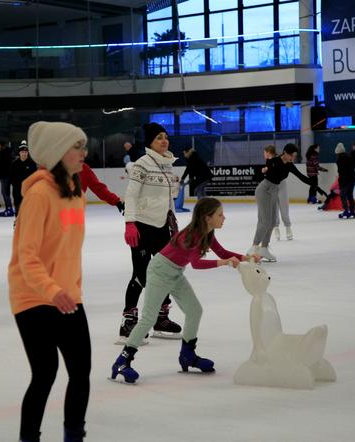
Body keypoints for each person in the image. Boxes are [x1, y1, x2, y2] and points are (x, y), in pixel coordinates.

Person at [111, 198, 258, 383]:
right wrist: (225, 263)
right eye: (220, 214)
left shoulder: (207, 232)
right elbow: (196, 264)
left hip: (175, 273)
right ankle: (122, 360)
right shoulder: (192, 234)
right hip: (159, 272)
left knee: (194, 310)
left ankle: (187, 354)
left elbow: (221, 252)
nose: (224, 218)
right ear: (207, 217)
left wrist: (246, 257)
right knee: (149, 318)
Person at [9, 121, 90, 442]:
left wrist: (69, 288)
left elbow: (67, 247)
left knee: (80, 374)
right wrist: (52, 290)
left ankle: (74, 437)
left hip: (68, 296)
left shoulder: (74, 192)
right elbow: (26, 255)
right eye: (77, 147)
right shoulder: (39, 195)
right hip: (32, 297)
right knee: (45, 374)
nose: (84, 153)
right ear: (58, 152)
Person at [121, 122, 182, 343]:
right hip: (142, 227)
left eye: (165, 136)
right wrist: (130, 223)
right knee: (141, 274)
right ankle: (128, 320)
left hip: (162, 228)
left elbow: (168, 199)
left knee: (165, 272)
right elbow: (131, 195)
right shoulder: (141, 164)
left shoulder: (167, 164)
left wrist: (173, 225)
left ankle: (160, 317)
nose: (164, 140)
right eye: (159, 138)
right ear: (150, 142)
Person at [249, 143, 326, 262]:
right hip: (264, 190)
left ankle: (264, 248)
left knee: (273, 221)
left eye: (294, 156)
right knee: (265, 221)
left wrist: (317, 187)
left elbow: (302, 178)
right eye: (292, 156)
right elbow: (261, 174)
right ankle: (254, 248)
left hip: (274, 191)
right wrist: (264, 169)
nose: (293, 159)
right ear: (285, 153)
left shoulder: (290, 165)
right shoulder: (273, 161)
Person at [260, 146, 293, 242]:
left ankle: (288, 227)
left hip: (282, 186)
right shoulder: (268, 162)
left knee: (284, 210)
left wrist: (267, 170)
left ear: (268, 152)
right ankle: (276, 229)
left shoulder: (279, 160)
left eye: (264, 152)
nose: (263, 154)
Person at [10, 140, 37, 216]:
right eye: (22, 152)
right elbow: (11, 177)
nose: (24, 154)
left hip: (29, 191)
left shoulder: (32, 164)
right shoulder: (14, 164)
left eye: (25, 152)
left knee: (29, 211)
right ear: (19, 153)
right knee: (18, 210)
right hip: (17, 191)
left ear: (28, 153)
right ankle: (17, 223)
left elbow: (35, 177)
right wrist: (15, 184)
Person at [335, 143, 355, 219]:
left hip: (346, 179)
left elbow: (341, 171)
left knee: (342, 195)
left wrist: (341, 181)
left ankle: (346, 211)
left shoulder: (340, 158)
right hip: (352, 178)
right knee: (350, 195)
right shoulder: (348, 156)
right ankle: (352, 211)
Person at [0, 140, 14, 217]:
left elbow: (4, 165)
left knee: (5, 192)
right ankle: (8, 208)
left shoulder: (4, 153)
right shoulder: (7, 152)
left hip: (5, 175)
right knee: (6, 192)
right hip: (7, 175)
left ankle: (9, 208)